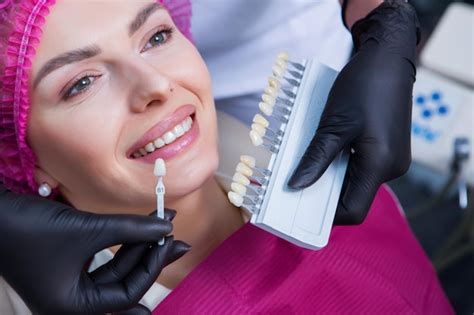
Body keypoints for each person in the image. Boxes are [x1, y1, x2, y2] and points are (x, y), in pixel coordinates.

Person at [0, 0, 453, 314]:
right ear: (24, 157)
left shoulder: (311, 160)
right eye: (81, 83)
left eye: (157, 35)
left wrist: (385, 18)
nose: (156, 85)